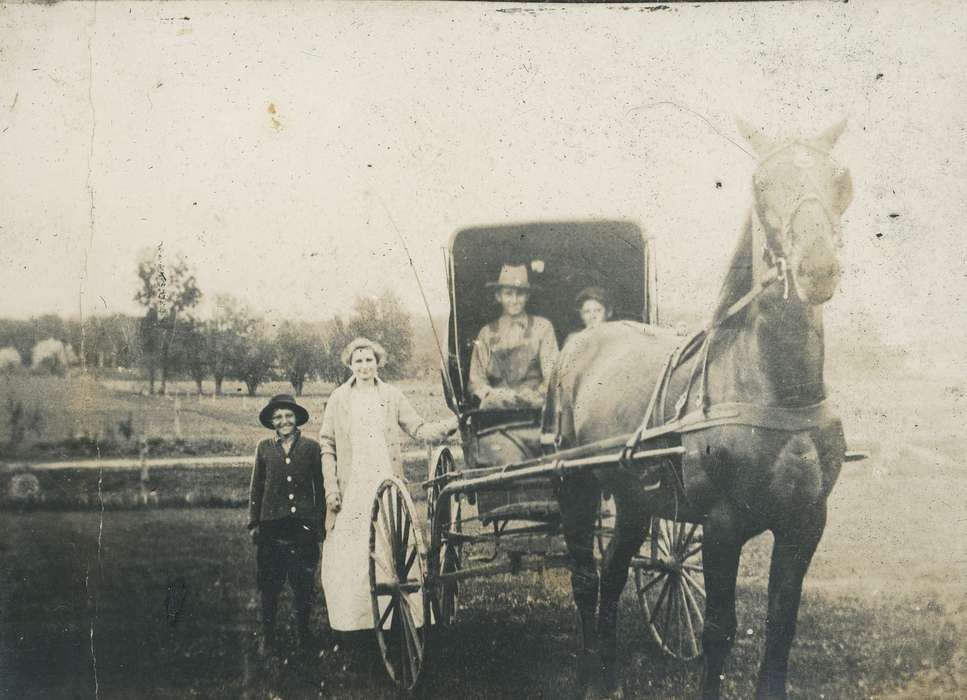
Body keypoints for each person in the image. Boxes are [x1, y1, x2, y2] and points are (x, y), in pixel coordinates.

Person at [319, 337, 457, 638]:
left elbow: (417, 427)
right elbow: (326, 444)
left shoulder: (391, 395)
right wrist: (332, 488)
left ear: (377, 362)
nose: (364, 366)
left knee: (391, 544)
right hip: (352, 482)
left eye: (369, 360)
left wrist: (449, 425)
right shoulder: (339, 398)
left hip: (386, 479)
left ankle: (401, 616)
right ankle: (354, 622)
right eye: (358, 361)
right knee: (352, 548)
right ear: (349, 364)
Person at [247, 393, 325, 658]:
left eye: (288, 415)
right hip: (271, 526)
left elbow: (321, 489)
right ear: (271, 421)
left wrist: (319, 524)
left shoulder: (312, 448)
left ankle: (304, 635)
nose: (284, 421)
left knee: (303, 583)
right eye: (278, 417)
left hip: (303, 526)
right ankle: (268, 639)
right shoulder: (264, 448)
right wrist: (254, 522)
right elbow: (256, 487)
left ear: (297, 418)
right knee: (270, 584)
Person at [468, 264, 559, 410]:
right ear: (498, 296)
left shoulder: (543, 327)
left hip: (535, 408)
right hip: (497, 410)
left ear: (527, 296)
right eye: (508, 294)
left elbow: (553, 374)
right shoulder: (486, 333)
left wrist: (538, 394)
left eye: (520, 294)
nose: (515, 300)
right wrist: (498, 395)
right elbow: (476, 382)